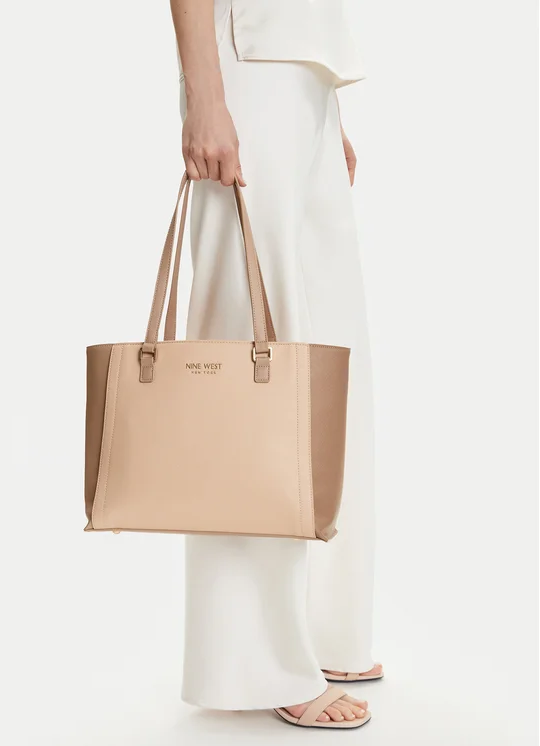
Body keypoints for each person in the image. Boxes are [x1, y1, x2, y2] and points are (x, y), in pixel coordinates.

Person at [170, 0, 380, 729]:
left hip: (305, 76)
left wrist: (324, 108)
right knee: (249, 367)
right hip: (244, 67)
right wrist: (206, 97)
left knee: (326, 360)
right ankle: (261, 659)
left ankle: (324, 630)